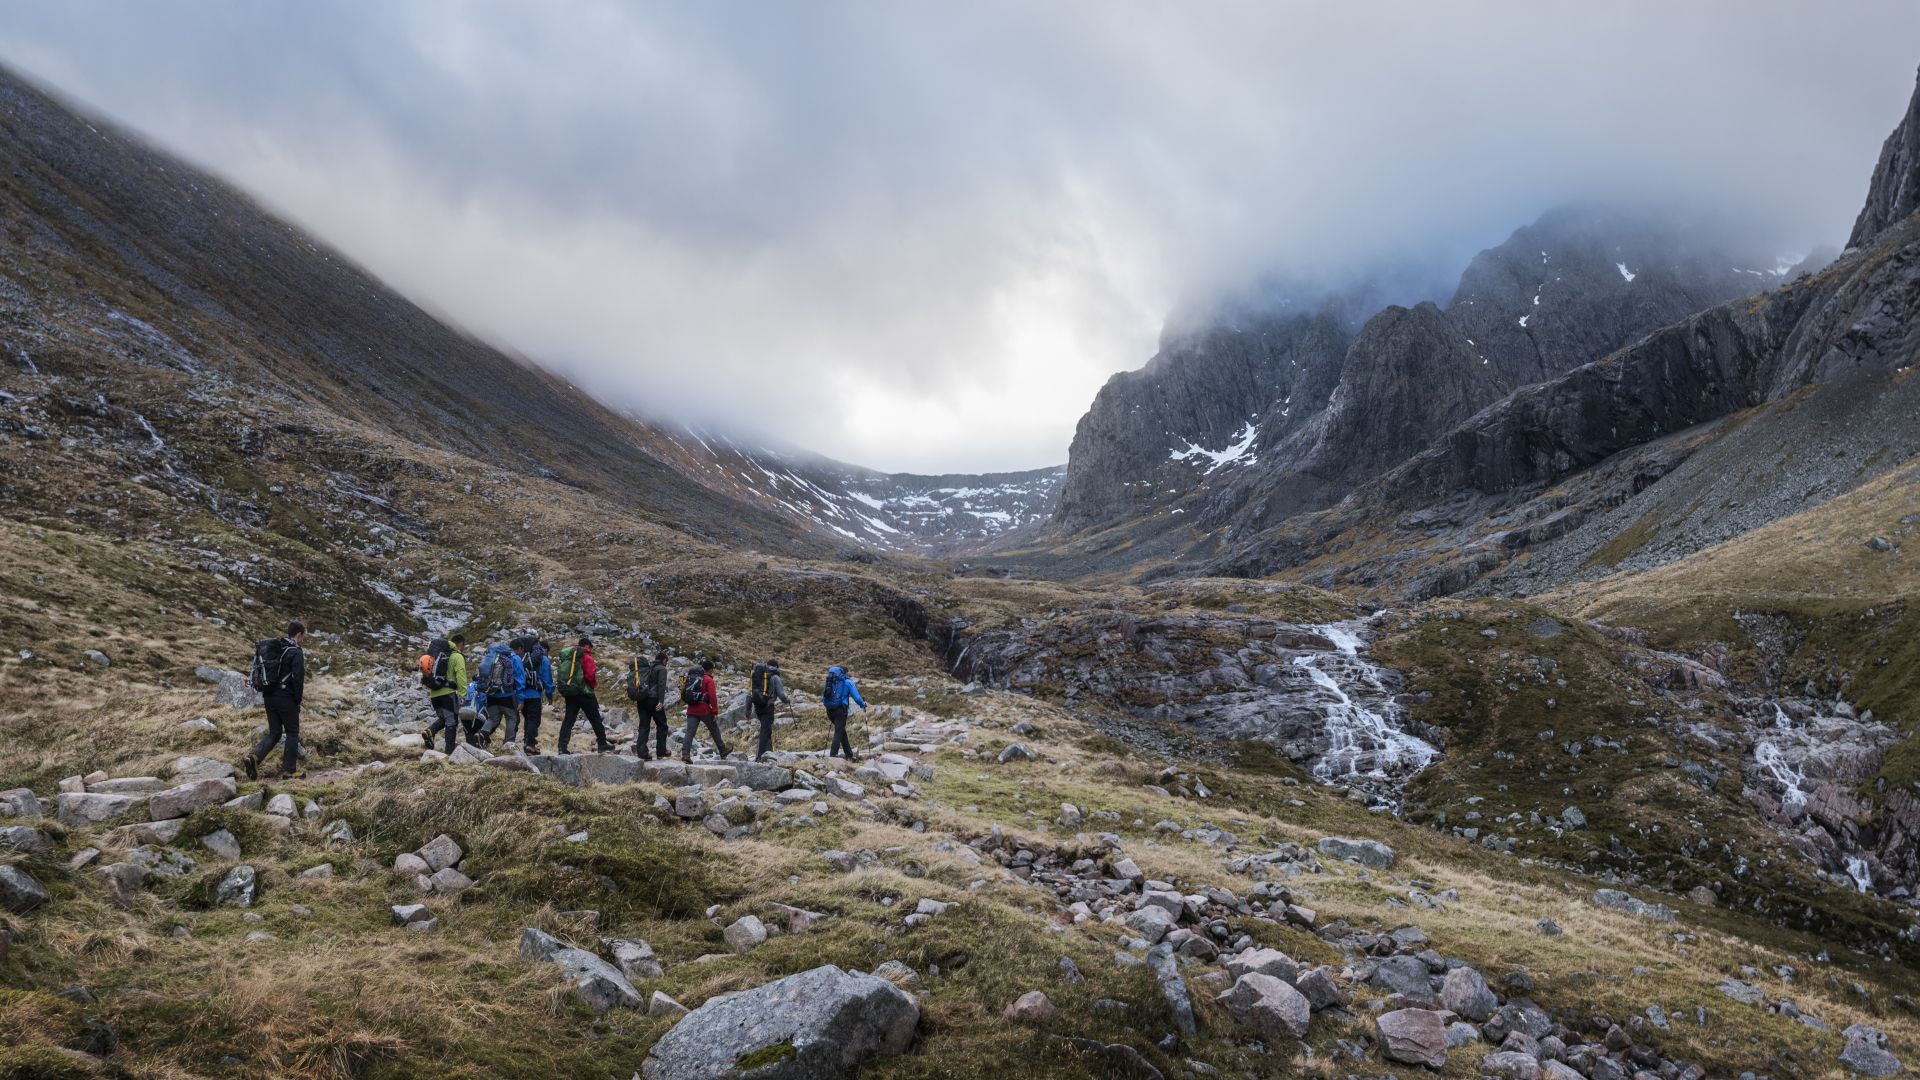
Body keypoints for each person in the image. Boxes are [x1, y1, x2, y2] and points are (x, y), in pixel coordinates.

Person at [241, 619, 307, 780]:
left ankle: (254, 757)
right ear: (298, 635)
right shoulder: (295, 652)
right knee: (292, 732)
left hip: (269, 696)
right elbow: (298, 679)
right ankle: (288, 771)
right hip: (285, 698)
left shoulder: (277, 648)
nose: (303, 639)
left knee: (275, 732)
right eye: (304, 636)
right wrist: (297, 701)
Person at [555, 637, 613, 754]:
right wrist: (591, 686)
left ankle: (562, 747)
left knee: (569, 720)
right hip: (584, 693)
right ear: (587, 646)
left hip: (571, 693)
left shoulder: (570, 656)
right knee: (595, 718)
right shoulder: (586, 657)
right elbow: (590, 675)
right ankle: (602, 744)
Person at [422, 634, 470, 753]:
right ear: (461, 645)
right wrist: (463, 694)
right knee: (452, 722)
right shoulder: (457, 656)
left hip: (434, 694)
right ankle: (449, 751)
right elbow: (461, 675)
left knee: (443, 719)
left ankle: (429, 732)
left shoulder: (438, 655)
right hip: (448, 695)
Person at [475, 637, 526, 747]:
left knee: (493, 718)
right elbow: (519, 679)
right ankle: (509, 744)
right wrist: (521, 698)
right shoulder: (515, 658)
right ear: (518, 648)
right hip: (507, 694)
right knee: (512, 718)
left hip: (491, 693)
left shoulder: (493, 658)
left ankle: (482, 734)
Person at [680, 659, 728, 762]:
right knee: (714, 729)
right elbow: (712, 697)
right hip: (704, 710)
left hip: (692, 709)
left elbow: (682, 689)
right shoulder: (708, 680)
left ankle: (685, 754)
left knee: (690, 732)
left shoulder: (691, 677)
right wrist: (715, 711)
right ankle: (723, 751)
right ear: (710, 669)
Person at [627, 649, 670, 760]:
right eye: (666, 661)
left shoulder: (647, 668)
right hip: (654, 700)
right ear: (664, 660)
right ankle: (661, 752)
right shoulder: (661, 669)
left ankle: (642, 752)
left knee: (644, 725)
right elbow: (661, 685)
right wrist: (661, 701)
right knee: (662, 725)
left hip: (642, 700)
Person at [512, 635, 554, 752]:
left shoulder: (520, 659)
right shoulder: (542, 659)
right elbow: (547, 679)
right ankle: (530, 744)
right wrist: (549, 695)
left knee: (528, 719)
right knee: (534, 720)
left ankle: (527, 743)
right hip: (534, 695)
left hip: (521, 695)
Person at [822, 664, 868, 762]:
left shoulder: (830, 680)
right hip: (841, 711)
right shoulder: (847, 682)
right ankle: (832, 757)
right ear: (845, 673)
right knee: (839, 732)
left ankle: (849, 755)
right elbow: (857, 698)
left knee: (841, 730)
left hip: (829, 710)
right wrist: (863, 705)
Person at [749, 659, 792, 760]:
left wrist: (748, 710)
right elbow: (781, 694)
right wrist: (787, 700)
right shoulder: (775, 677)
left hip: (758, 706)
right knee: (765, 731)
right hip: (768, 707)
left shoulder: (759, 675)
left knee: (766, 730)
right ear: (776, 667)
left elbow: (750, 692)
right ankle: (760, 756)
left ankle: (768, 753)